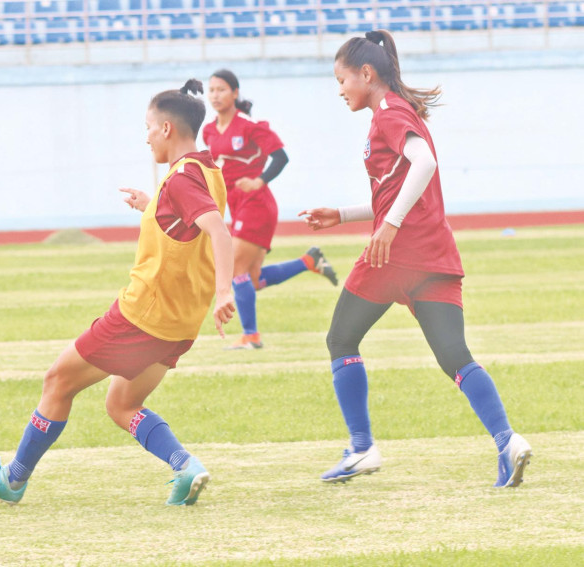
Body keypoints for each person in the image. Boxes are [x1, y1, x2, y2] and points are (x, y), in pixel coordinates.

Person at [0, 79, 235, 506]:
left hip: (143, 315)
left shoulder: (180, 180)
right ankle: (186, 467)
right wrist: (152, 202)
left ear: (165, 129)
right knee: (122, 404)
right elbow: (186, 222)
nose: (144, 136)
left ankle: (13, 479)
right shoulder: (205, 170)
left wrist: (225, 291)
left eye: (147, 127)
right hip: (179, 323)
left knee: (57, 381)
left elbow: (216, 229)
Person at [299, 30, 532, 487]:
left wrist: (389, 226)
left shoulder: (387, 112)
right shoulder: (396, 113)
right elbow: (400, 188)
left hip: (397, 256)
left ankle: (362, 448)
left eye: (341, 79)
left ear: (366, 74)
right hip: (434, 255)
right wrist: (344, 215)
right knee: (455, 357)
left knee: (341, 341)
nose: (340, 89)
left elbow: (425, 164)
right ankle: (508, 440)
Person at [203, 69, 338, 350]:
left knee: (234, 268)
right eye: (211, 90)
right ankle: (308, 261)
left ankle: (251, 336)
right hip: (237, 207)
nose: (215, 95)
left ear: (235, 93)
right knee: (251, 279)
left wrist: (258, 180)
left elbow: (281, 157)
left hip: (257, 205)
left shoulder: (250, 126)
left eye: (221, 89)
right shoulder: (208, 131)